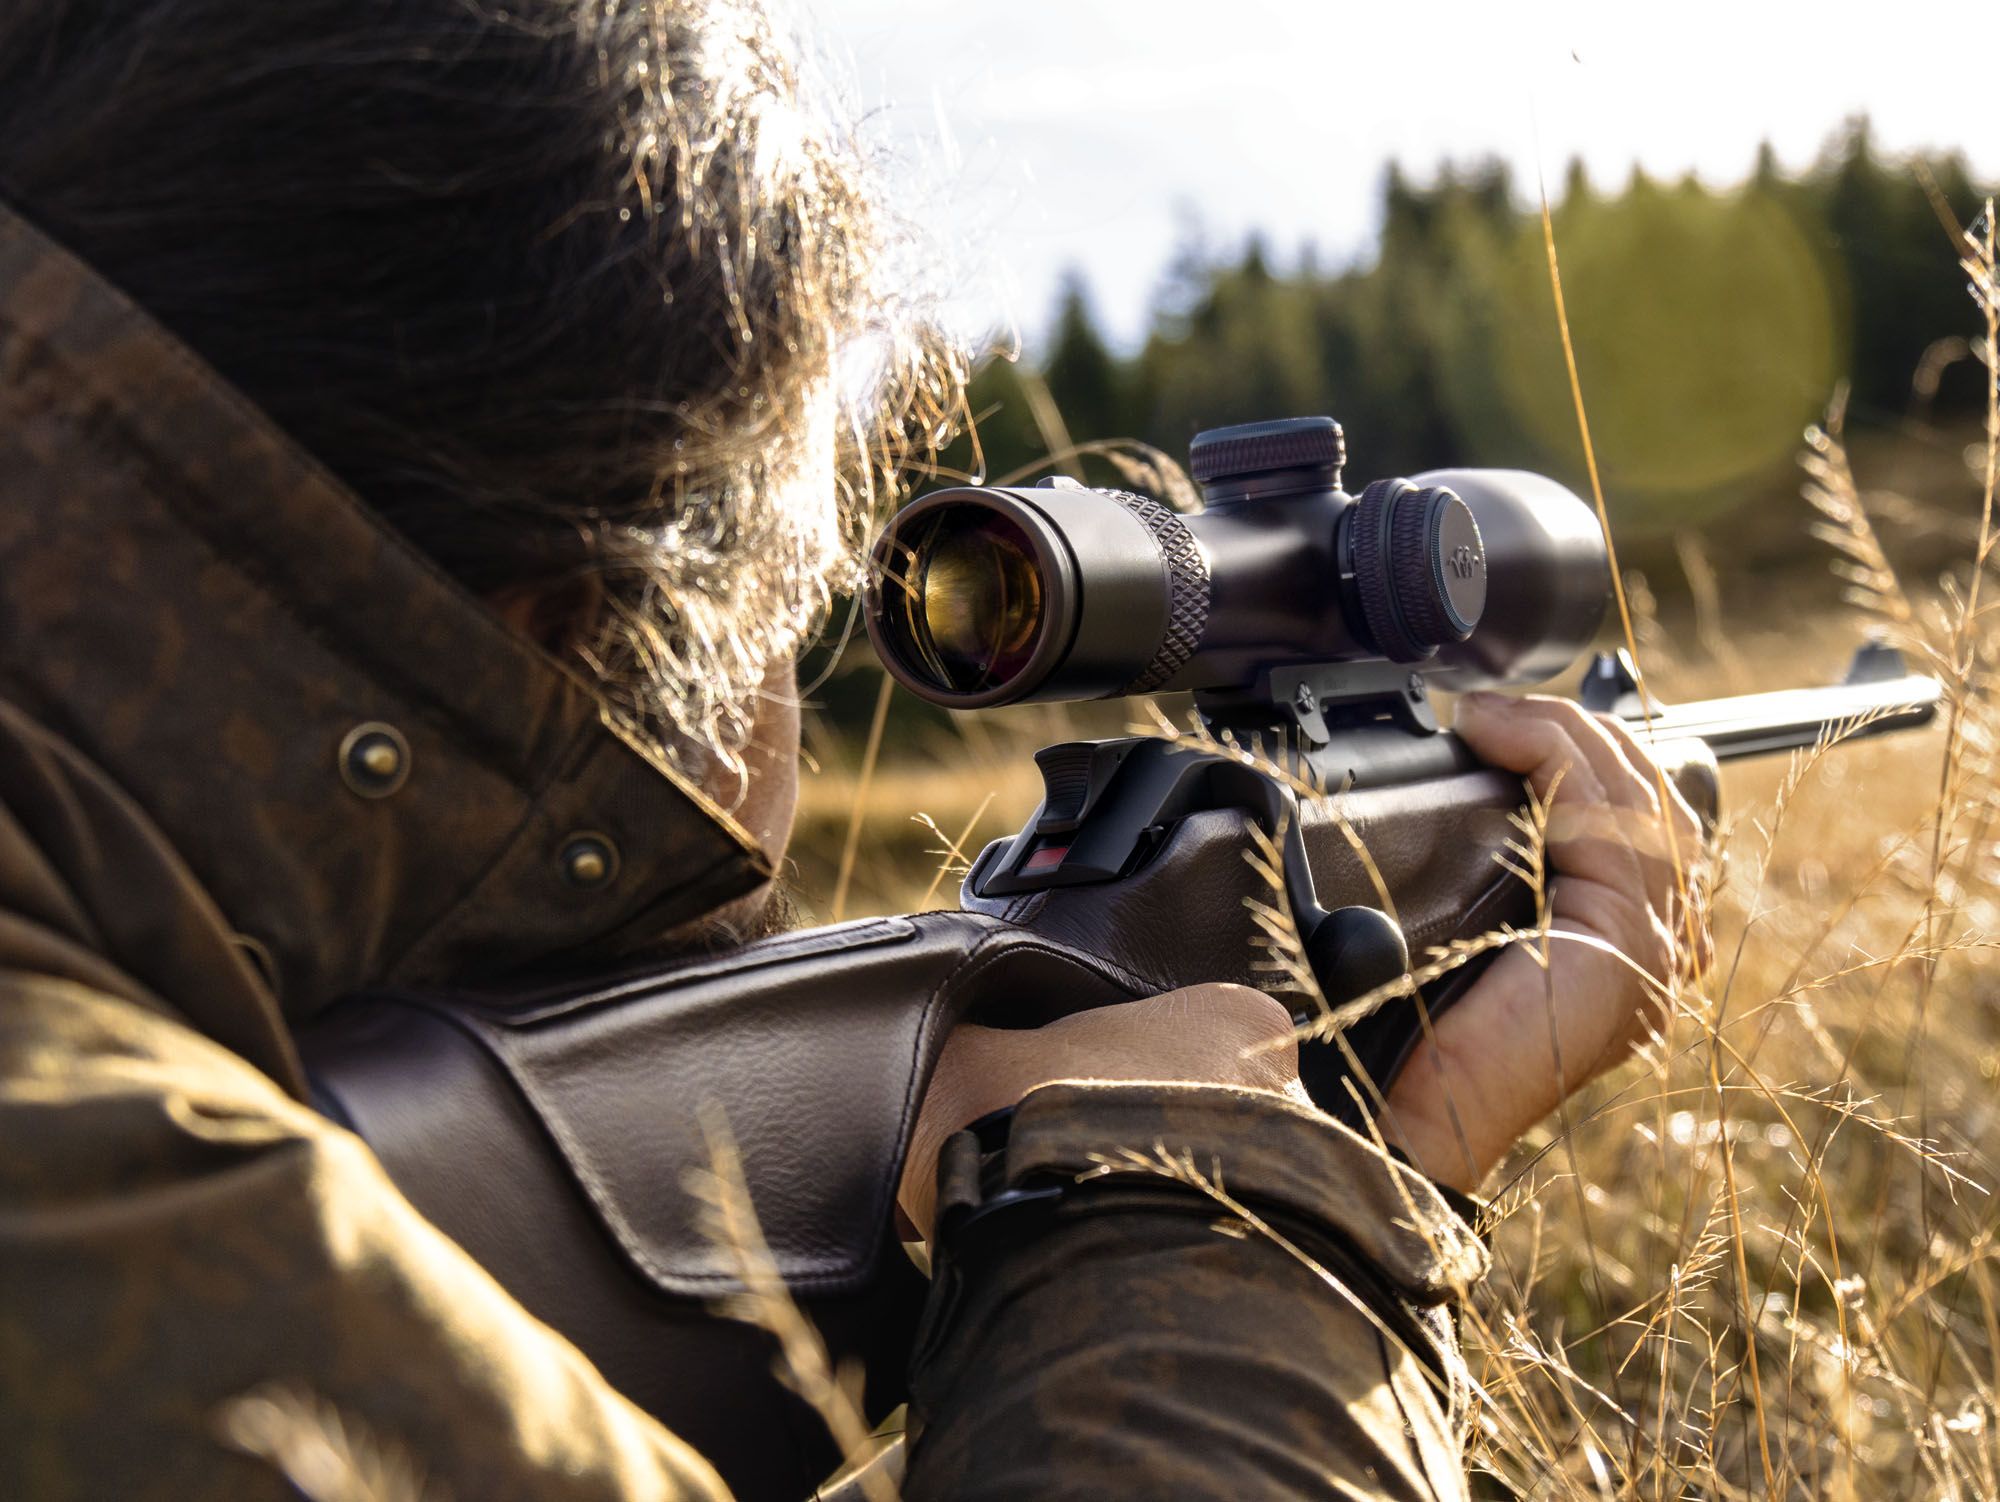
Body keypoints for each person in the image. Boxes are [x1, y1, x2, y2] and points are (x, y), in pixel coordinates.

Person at [0, 2, 1707, 1498]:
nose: (783, 763)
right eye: (783, 614)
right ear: (555, 630)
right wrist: (1197, 1217)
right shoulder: (103, 1200)